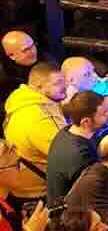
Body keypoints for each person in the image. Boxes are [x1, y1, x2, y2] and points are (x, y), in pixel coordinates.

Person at [4, 64, 68, 208]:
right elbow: (69, 156)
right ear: (38, 87)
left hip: (22, 189)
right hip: (39, 193)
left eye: (63, 80)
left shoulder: (23, 101)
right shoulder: (41, 119)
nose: (65, 86)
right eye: (58, 83)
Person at [46, 92, 108, 207]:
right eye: (104, 113)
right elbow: (98, 189)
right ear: (86, 122)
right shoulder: (80, 156)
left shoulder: (68, 130)